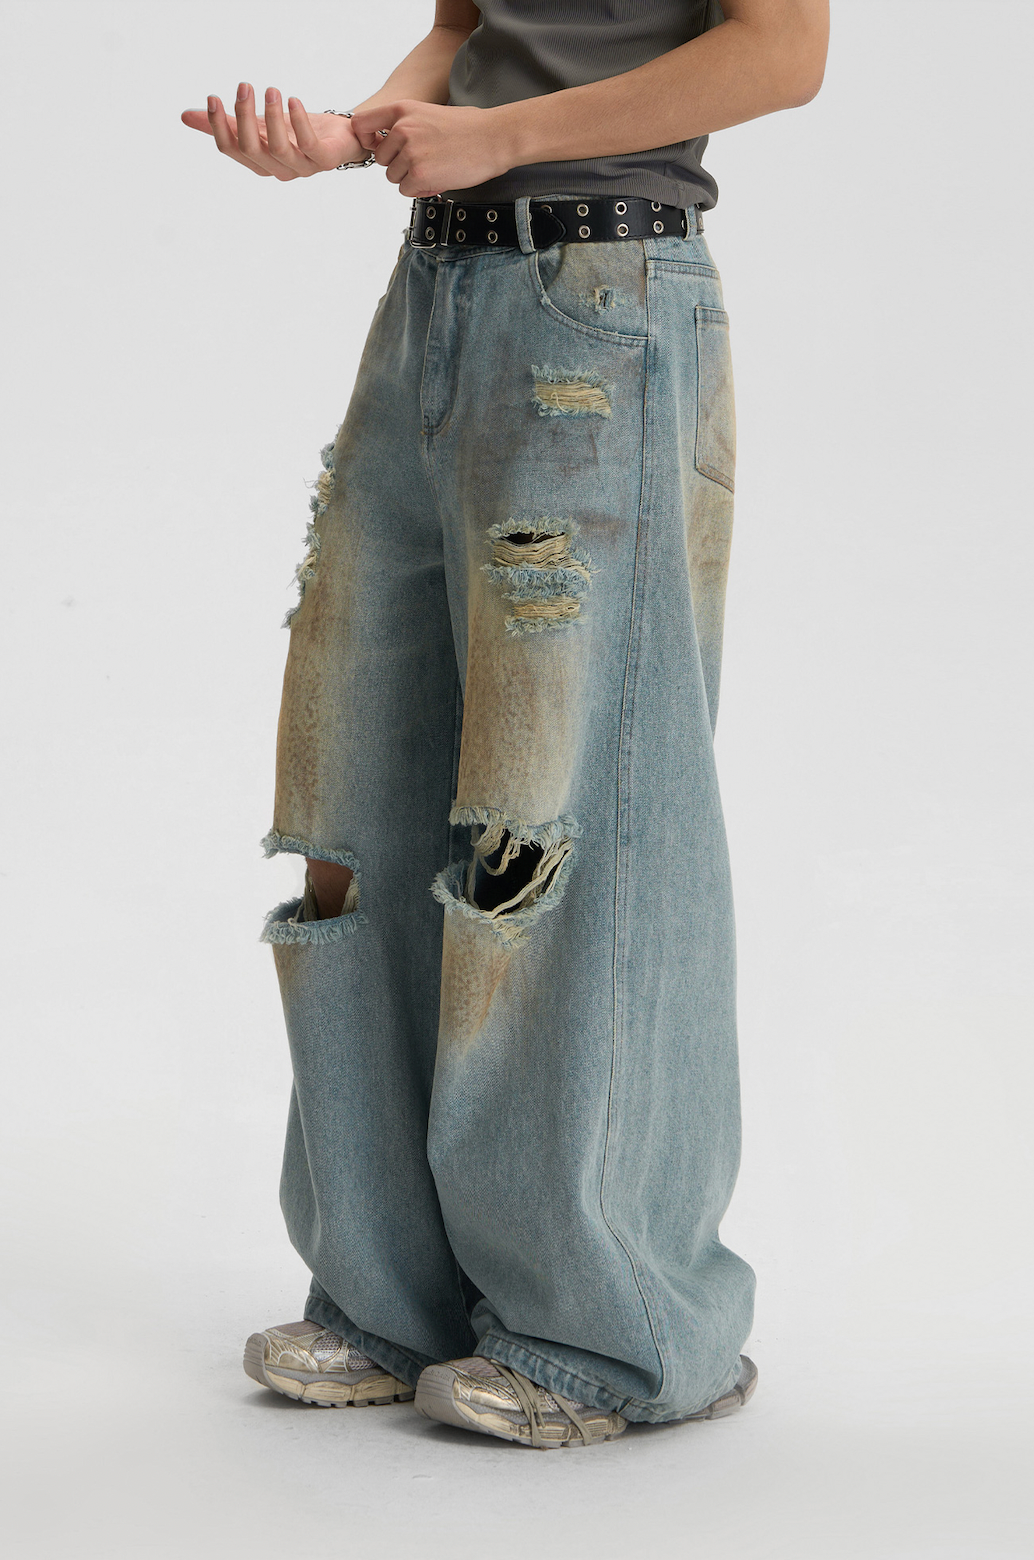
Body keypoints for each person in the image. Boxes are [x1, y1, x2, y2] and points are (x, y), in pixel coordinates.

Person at [182, 0, 828, 1450]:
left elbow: (785, 52)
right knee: (360, 788)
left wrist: (503, 138)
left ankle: (616, 1325)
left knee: (562, 820)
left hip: (603, 297)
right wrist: (358, 133)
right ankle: (387, 1294)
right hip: (436, 298)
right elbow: (469, 28)